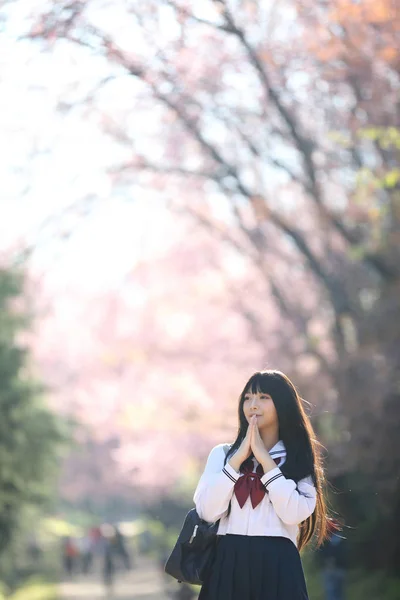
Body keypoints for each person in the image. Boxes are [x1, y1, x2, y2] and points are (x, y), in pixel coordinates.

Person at [194, 369, 332, 600]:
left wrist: (266, 462)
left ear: (283, 404)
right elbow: (207, 512)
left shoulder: (298, 458)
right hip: (228, 559)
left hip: (278, 563)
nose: (253, 405)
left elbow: (294, 514)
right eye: (248, 398)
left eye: (263, 397)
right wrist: (237, 461)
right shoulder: (223, 455)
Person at [317, 519, 347, 600]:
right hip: (333, 569)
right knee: (334, 593)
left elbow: (321, 552)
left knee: (335, 592)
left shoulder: (326, 538)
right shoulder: (339, 538)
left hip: (337, 568)